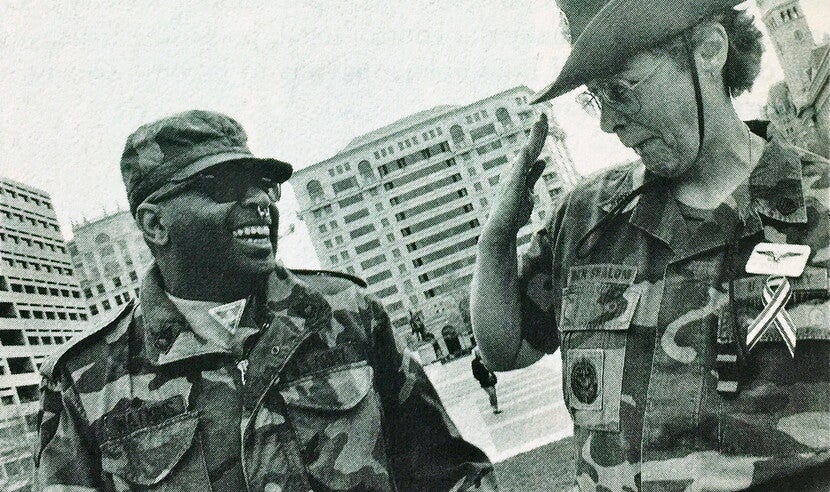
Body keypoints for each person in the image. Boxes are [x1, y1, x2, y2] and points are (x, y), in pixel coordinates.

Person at [34, 110, 496, 491]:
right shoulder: (85, 380)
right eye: (222, 188)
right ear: (155, 225)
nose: (260, 201)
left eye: (262, 186)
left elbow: (450, 475)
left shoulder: (345, 313)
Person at [471, 1, 830, 490]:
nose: (608, 123)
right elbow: (503, 348)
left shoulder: (821, 207)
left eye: (621, 89)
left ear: (709, 49)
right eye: (596, 99)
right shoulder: (588, 219)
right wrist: (495, 239)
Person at [471, 348, 502, 414]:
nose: (479, 353)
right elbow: (474, 373)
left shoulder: (485, 358)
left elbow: (491, 366)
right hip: (484, 381)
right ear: (475, 353)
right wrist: (480, 378)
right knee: (492, 393)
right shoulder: (474, 362)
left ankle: (495, 408)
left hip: (491, 379)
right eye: (477, 352)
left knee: (493, 394)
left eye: (479, 351)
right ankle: (494, 408)